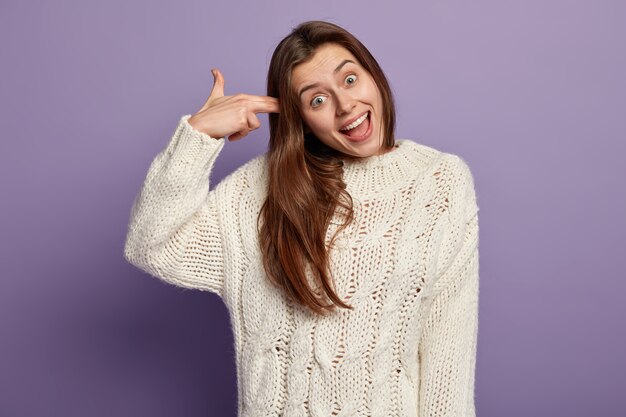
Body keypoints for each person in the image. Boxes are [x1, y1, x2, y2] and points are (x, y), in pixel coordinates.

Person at [124, 20, 480, 417]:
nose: (345, 106)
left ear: (373, 76)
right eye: (317, 100)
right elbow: (152, 246)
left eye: (349, 79)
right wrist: (198, 136)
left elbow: (448, 359)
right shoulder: (259, 190)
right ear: (300, 119)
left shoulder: (441, 183)